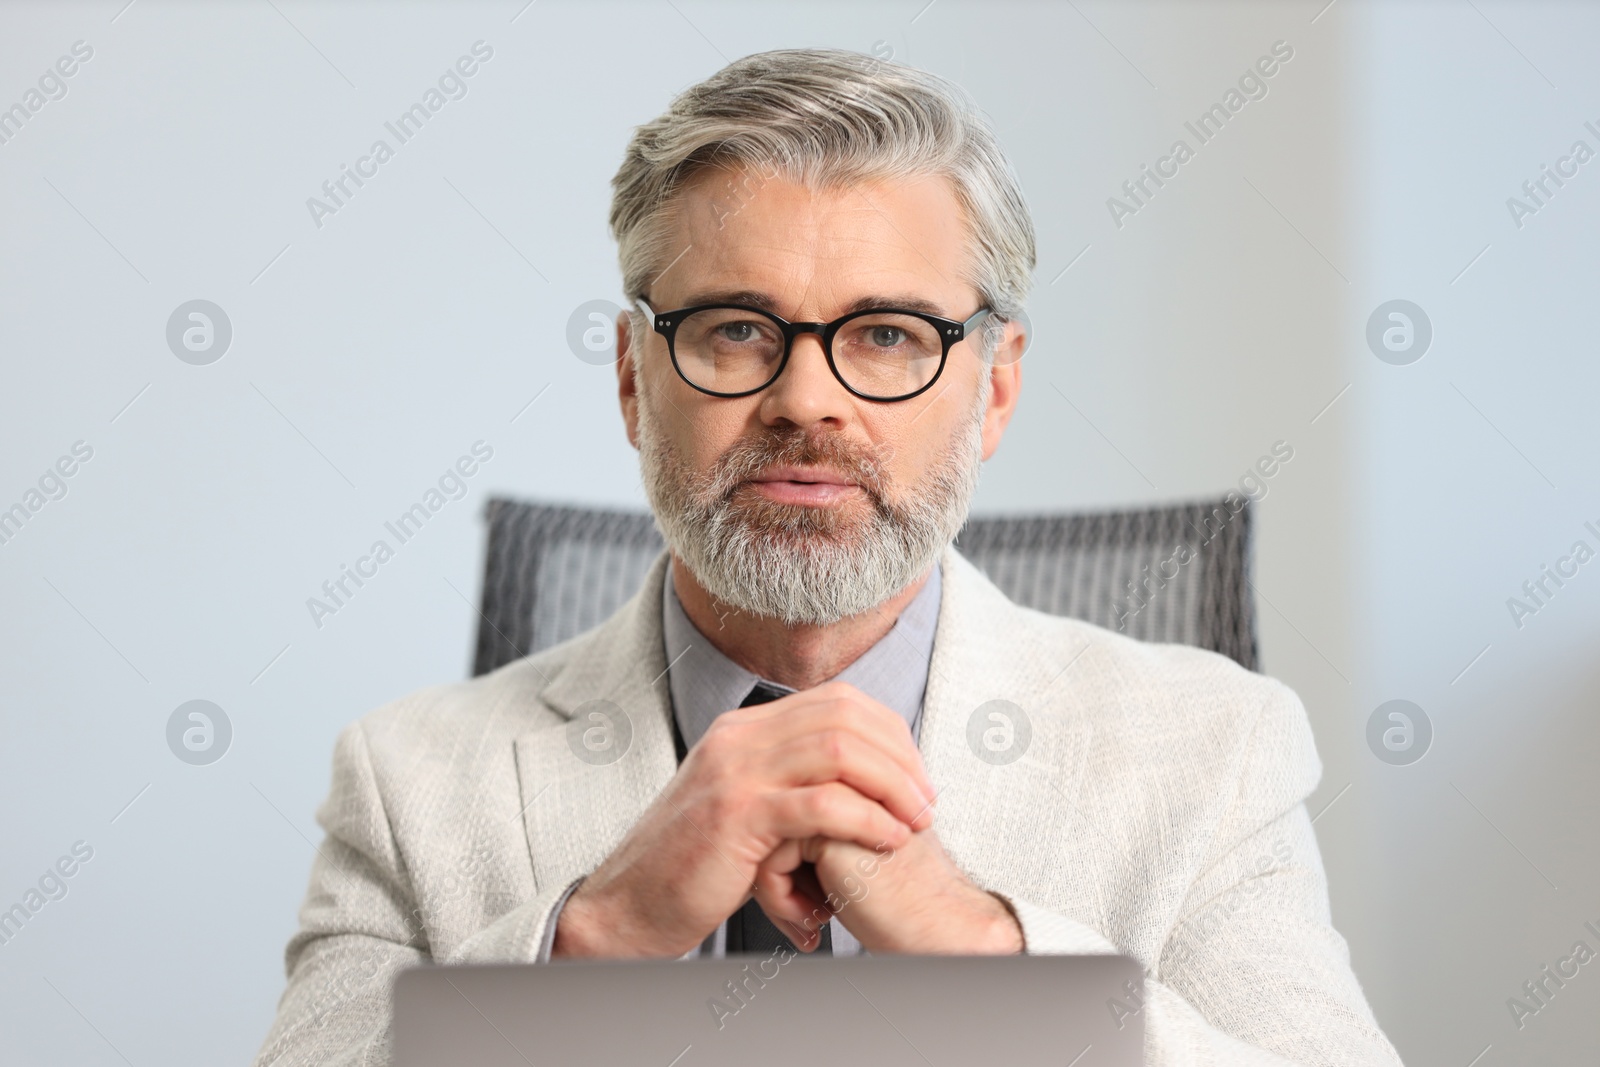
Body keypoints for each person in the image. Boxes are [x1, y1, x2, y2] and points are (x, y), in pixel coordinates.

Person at [253, 48, 1402, 1066]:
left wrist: (981, 944)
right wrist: (596, 934)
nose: (806, 399)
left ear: (992, 390)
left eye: (889, 334)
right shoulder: (405, 782)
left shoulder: (1209, 756)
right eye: (737, 329)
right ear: (628, 379)